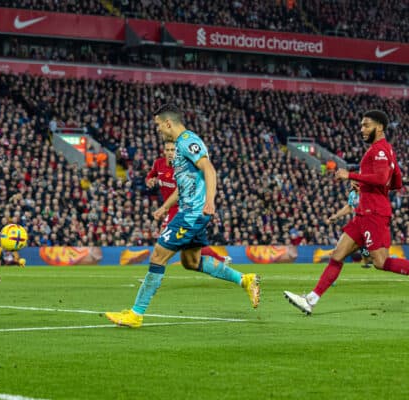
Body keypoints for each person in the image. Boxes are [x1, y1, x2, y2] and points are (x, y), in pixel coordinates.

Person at [105, 104, 261, 328]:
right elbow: (183, 186)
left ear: (168, 123)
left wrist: (210, 200)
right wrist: (164, 207)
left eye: (158, 125)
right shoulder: (179, 146)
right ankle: (244, 280)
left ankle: (136, 314)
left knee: (158, 256)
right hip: (190, 211)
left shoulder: (189, 141)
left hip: (192, 214)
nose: (158, 130)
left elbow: (209, 169)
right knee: (191, 261)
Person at [284, 110, 407, 315]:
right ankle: (311, 300)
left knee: (381, 262)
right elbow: (396, 182)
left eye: (366, 125)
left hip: (373, 213)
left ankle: (311, 299)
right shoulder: (388, 151)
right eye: (361, 125)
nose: (362, 129)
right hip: (363, 212)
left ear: (380, 127)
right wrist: (365, 184)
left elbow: (381, 177)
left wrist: (351, 175)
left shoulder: (379, 150)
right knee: (337, 254)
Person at [145, 141, 255, 299]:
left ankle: (153, 278)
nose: (170, 152)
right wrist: (149, 180)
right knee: (190, 257)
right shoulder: (159, 164)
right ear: (163, 151)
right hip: (176, 209)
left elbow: (184, 189)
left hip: (183, 209)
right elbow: (151, 175)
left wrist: (165, 207)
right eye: (167, 149)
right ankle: (230, 267)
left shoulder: (182, 167)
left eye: (172, 150)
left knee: (163, 246)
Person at [325, 181, 373, 268]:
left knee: (362, 244)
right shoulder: (352, 194)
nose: (352, 184)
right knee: (358, 244)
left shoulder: (367, 193)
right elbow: (349, 207)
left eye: (354, 183)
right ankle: (367, 259)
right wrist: (336, 216)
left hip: (369, 222)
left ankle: (369, 258)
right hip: (357, 223)